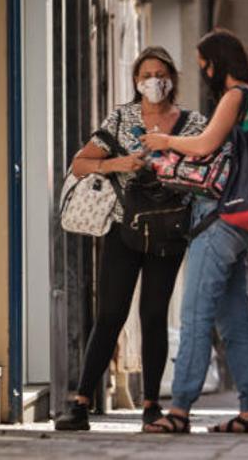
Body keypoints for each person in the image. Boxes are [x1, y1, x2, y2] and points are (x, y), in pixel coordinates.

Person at [54, 47, 208, 431]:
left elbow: (204, 164)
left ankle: (152, 406)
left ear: (171, 78)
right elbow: (80, 162)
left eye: (160, 73)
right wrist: (117, 163)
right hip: (125, 228)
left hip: (169, 232)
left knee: (154, 316)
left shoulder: (191, 123)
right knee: (109, 315)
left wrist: (167, 151)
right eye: (146, 75)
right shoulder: (121, 117)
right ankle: (81, 401)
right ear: (137, 81)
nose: (153, 81)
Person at [139, 29, 248, 434]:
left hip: (218, 219)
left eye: (205, 66)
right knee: (235, 321)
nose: (205, 74)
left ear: (218, 63)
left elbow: (204, 145)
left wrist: (164, 141)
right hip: (241, 222)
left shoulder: (235, 96)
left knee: (195, 314)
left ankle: (179, 410)